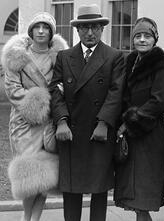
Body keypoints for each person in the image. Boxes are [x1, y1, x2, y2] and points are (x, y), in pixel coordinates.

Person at [49, 4, 125, 221]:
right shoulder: (64, 57)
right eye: (84, 28)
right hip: (71, 133)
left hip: (99, 132)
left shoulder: (114, 56)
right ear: (77, 30)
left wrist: (103, 123)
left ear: (102, 29)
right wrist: (62, 121)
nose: (90, 33)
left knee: (99, 190)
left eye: (94, 27)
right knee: (71, 191)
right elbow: (55, 91)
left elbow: (116, 92)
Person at [1, 12, 68, 221]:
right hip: (24, 121)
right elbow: (12, 88)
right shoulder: (17, 55)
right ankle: (25, 217)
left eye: (46, 27)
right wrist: (36, 103)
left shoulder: (60, 58)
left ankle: (34, 219)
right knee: (28, 173)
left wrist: (56, 103)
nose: (41, 31)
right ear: (31, 31)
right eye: (37, 27)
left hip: (49, 122)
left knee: (44, 175)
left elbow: (65, 86)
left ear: (51, 32)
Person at [114, 17, 164, 221]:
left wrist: (130, 122)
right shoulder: (130, 62)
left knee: (142, 194)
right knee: (134, 196)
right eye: (138, 36)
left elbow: (158, 102)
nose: (142, 40)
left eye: (147, 36)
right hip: (132, 132)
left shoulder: (162, 65)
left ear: (155, 38)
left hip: (150, 134)